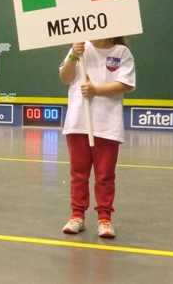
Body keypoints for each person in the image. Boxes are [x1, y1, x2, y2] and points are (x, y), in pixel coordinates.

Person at [59, 39, 135, 239]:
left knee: (105, 176)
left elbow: (126, 84)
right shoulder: (80, 47)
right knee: (78, 174)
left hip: (107, 125)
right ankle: (77, 216)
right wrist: (73, 55)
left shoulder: (122, 52)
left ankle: (104, 219)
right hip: (78, 122)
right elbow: (65, 77)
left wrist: (96, 90)